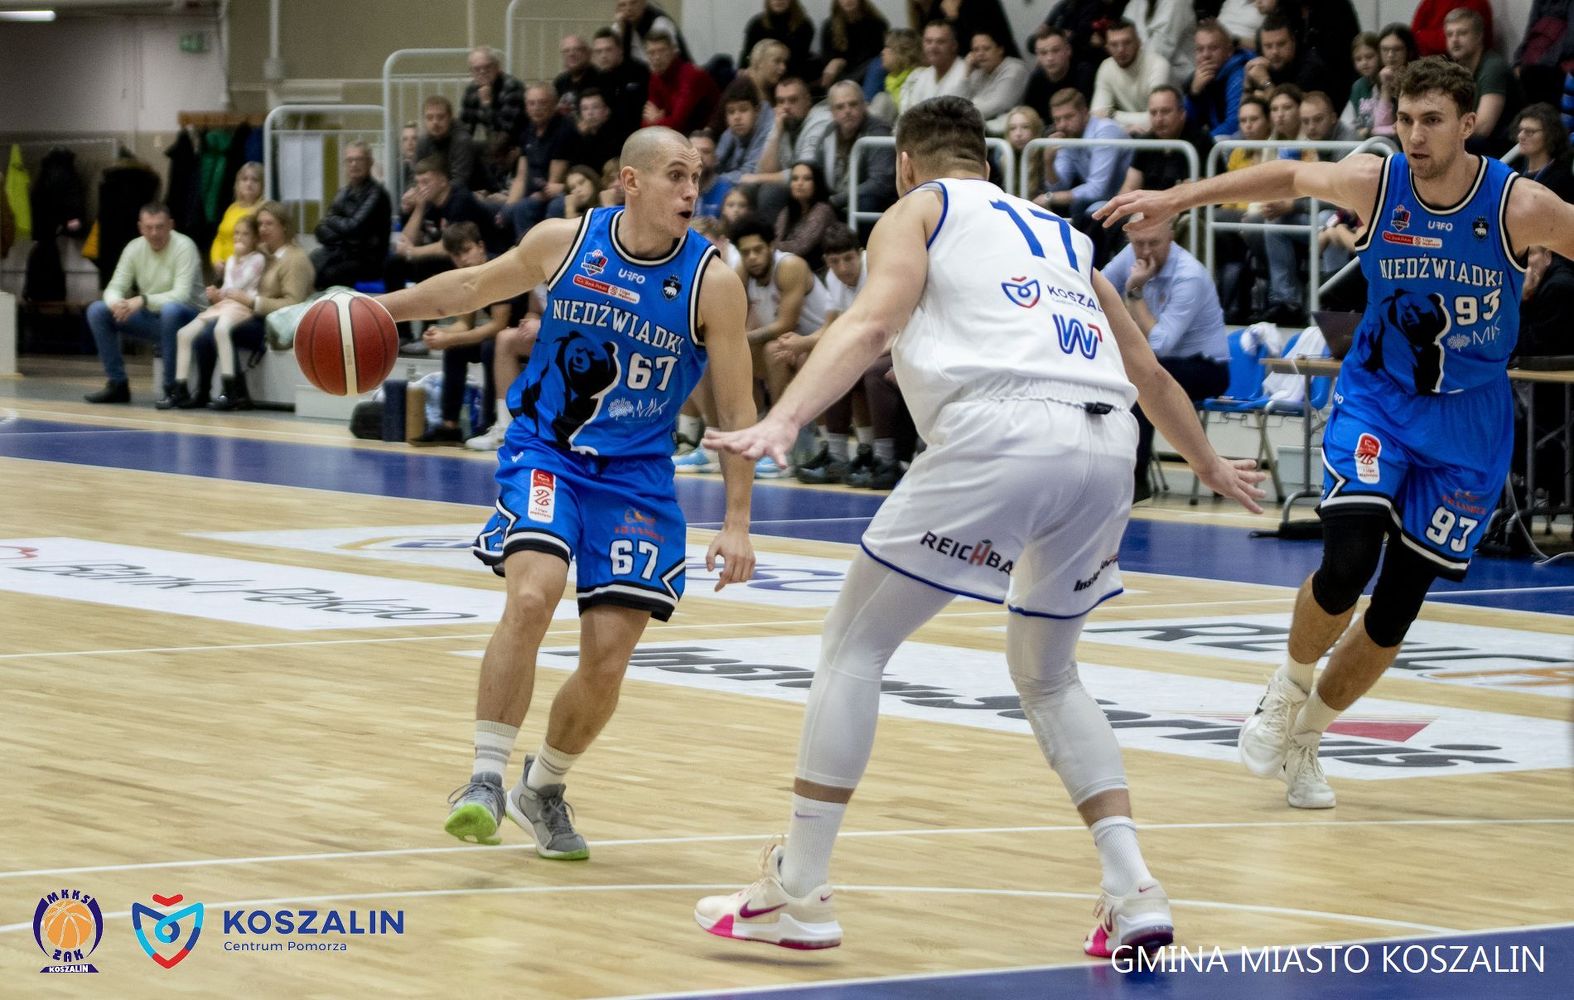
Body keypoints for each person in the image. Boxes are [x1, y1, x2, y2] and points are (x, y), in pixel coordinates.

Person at [694, 95, 1264, 954]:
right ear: (990, 165)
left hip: (1004, 429)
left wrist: (786, 419)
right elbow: (1145, 370)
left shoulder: (920, 208)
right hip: (1109, 446)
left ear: (905, 165)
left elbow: (873, 322)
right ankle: (1133, 887)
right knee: (1050, 675)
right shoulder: (1061, 234)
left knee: (853, 645)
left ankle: (798, 889)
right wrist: (1209, 463)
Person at [1096, 57, 1574, 809]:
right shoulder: (1376, 183)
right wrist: (1174, 198)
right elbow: (1288, 174)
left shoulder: (1520, 205)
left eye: (1432, 121)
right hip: (1379, 398)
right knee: (1348, 562)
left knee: (1398, 606)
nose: (1414, 136)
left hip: (1470, 422)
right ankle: (1286, 689)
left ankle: (1308, 738)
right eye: (1404, 119)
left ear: (1468, 124)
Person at [375, 126, 758, 855]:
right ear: (631, 181)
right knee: (532, 595)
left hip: (638, 479)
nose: (692, 190)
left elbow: (737, 410)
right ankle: (484, 779)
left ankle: (541, 787)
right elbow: (470, 286)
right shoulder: (566, 240)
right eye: (676, 175)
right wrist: (379, 310)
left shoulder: (713, 282)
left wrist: (737, 519)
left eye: (697, 177)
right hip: (548, 452)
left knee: (607, 658)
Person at [1101, 228, 1228, 500]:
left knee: (1142, 379)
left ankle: (1136, 480)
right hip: (1165, 362)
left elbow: (1160, 344)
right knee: (1118, 374)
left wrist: (1135, 293)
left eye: (1153, 243)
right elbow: (1094, 292)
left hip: (1205, 367)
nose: (1146, 251)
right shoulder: (1130, 255)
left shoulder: (1189, 276)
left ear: (1170, 237)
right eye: (1139, 243)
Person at [190, 201, 314, 410]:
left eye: (269, 224)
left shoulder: (296, 259)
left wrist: (252, 301)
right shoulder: (260, 252)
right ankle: (202, 391)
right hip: (249, 314)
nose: (263, 229)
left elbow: (294, 304)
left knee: (216, 330)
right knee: (203, 332)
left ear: (284, 226)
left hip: (273, 324)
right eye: (260, 224)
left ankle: (236, 392)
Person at [84, 202, 204, 404]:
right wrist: (117, 304)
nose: (154, 233)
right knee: (97, 311)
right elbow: (115, 287)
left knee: (171, 310)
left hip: (190, 319)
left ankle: (172, 388)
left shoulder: (185, 246)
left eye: (160, 227)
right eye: (149, 227)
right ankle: (117, 384)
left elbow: (181, 295)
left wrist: (143, 300)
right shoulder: (134, 247)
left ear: (171, 225)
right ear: (140, 227)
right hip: (153, 317)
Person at [410, 223, 518, 446]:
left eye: (466, 250)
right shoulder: (469, 278)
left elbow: (498, 325)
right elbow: (464, 323)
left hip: (520, 333)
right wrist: (442, 332)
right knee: (455, 349)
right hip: (504, 335)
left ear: (481, 246)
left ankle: (489, 422)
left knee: (490, 348)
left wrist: (451, 337)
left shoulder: (499, 270)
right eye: (456, 255)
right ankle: (450, 426)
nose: (463, 259)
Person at [162, 213, 265, 410]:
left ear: (255, 238)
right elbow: (228, 286)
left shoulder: (257, 259)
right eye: (236, 234)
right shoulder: (231, 260)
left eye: (245, 234)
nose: (239, 238)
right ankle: (180, 389)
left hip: (241, 306)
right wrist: (216, 295)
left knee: (221, 330)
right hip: (225, 305)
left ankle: (230, 389)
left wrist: (224, 290)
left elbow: (240, 284)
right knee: (184, 333)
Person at [311, 142, 392, 289]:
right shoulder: (343, 192)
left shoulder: (377, 194)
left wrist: (333, 221)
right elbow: (320, 230)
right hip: (342, 252)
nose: (354, 164)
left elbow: (354, 227)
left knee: (329, 274)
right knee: (308, 264)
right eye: (349, 160)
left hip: (368, 259)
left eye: (359, 159)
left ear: (370, 162)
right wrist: (344, 233)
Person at [1443, 6, 1522, 156]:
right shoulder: (1454, 70)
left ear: (1479, 36)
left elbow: (1483, 127)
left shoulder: (1493, 67)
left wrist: (1441, 135)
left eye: (1462, 33)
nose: (1454, 40)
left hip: (1501, 149)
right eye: (1449, 34)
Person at [1091, 18, 1170, 134]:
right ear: (1107, 47)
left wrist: (1111, 115)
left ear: (1139, 42)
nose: (1121, 49)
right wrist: (1125, 130)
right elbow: (1096, 118)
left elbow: (1157, 120)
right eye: (1114, 44)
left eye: (1127, 43)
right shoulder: (1106, 67)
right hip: (1128, 135)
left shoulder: (1158, 65)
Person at [774, 160, 837, 271]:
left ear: (816, 183)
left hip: (816, 271)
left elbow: (801, 246)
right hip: (787, 266)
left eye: (807, 179)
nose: (799, 183)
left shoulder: (823, 210)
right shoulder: (787, 211)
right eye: (795, 179)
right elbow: (776, 238)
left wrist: (770, 246)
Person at [965, 31, 1029, 132]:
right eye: (976, 50)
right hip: (979, 126)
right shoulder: (978, 72)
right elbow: (959, 99)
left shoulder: (1015, 69)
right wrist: (966, 73)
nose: (980, 54)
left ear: (1000, 50)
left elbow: (997, 106)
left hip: (1009, 130)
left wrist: (960, 113)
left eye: (986, 48)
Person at [818, 0, 888, 91]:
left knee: (876, 63)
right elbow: (827, 60)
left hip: (868, 74)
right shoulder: (829, 25)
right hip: (841, 75)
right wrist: (835, 63)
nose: (848, 1)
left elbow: (875, 57)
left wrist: (841, 61)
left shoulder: (876, 23)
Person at [208, 162, 263, 276]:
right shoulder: (232, 208)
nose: (249, 184)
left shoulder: (262, 210)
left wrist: (233, 265)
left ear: (262, 185)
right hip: (222, 269)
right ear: (238, 183)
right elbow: (220, 238)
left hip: (244, 272)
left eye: (255, 180)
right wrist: (216, 259)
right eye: (244, 179)